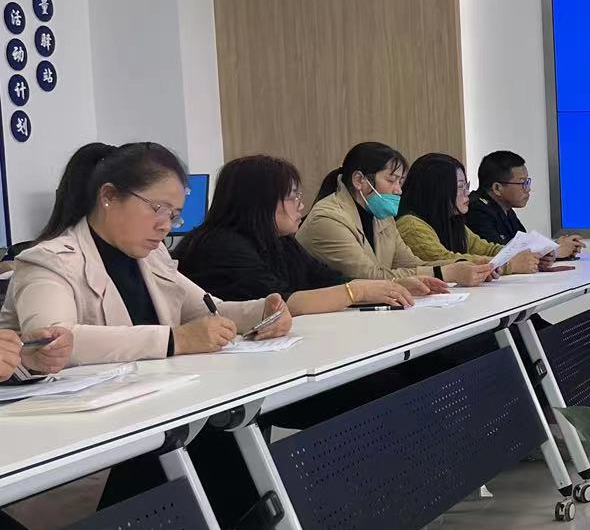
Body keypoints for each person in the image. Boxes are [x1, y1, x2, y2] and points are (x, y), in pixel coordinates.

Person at [0, 142, 293, 364]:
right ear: (108, 196)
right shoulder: (49, 261)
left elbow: (208, 310)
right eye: (158, 209)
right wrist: (173, 340)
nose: (165, 225)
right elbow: (51, 340)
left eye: (174, 216)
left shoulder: (152, 257)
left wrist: (261, 312)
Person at [175, 155, 416, 312]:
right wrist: (359, 291)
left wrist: (390, 286)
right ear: (261, 202)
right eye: (293, 197)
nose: (301, 205)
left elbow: (325, 279)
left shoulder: (281, 241)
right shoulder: (220, 247)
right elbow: (279, 302)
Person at [297, 142, 491, 288]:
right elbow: (370, 277)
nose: (398, 190)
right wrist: (446, 273)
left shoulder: (382, 216)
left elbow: (410, 263)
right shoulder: (328, 219)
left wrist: (469, 265)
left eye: (400, 182)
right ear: (359, 180)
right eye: (391, 180)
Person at [397, 153, 541, 272]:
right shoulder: (411, 225)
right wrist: (509, 265)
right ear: (438, 191)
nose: (467, 193)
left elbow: (487, 249)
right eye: (460, 187)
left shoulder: (452, 219)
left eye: (467, 185)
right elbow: (447, 261)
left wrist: (533, 254)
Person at [466, 150, 585, 260]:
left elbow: (523, 247)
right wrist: (554, 251)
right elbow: (500, 257)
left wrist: (553, 247)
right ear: (497, 188)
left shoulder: (505, 209)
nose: (528, 189)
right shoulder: (475, 212)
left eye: (527, 182)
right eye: (522, 183)